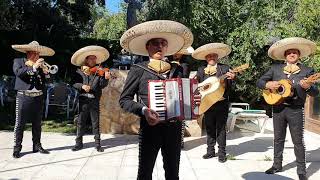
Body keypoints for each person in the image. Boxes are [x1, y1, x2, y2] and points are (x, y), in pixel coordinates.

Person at [119, 20, 195, 180]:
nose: (159, 46)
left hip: (174, 129)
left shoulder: (178, 70)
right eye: (155, 43)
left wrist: (194, 102)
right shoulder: (138, 69)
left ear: (167, 48)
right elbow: (124, 100)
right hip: (149, 129)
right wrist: (144, 110)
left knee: (173, 174)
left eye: (163, 43)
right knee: (145, 173)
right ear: (147, 47)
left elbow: (185, 96)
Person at [257, 37, 319, 180]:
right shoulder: (275, 69)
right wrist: (268, 85)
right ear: (285, 55)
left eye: (295, 52)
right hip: (278, 108)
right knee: (278, 139)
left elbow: (315, 92)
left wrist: (308, 87)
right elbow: (259, 81)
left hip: (296, 110)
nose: (292, 54)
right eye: (289, 52)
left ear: (299, 55)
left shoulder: (307, 71)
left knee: (297, 141)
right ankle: (277, 165)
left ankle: (302, 171)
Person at [192, 43, 235, 162]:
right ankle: (210, 151)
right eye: (209, 56)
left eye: (213, 55)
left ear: (217, 57)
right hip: (207, 103)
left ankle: (222, 153)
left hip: (221, 103)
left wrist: (232, 79)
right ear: (206, 58)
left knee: (221, 128)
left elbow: (231, 87)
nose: (211, 57)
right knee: (209, 127)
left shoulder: (225, 68)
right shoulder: (201, 70)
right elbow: (197, 86)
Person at [11, 41, 55, 158]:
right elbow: (18, 73)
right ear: (28, 53)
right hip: (23, 96)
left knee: (37, 124)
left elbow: (49, 82)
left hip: (38, 97)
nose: (37, 56)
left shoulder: (40, 65)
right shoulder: (19, 61)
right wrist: (34, 68)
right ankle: (17, 148)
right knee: (20, 124)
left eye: (38, 54)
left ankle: (37, 145)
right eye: (34, 54)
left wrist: (47, 73)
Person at [70, 45, 111, 152]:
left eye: (95, 58)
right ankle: (78, 143)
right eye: (91, 58)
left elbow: (102, 85)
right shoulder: (78, 72)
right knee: (80, 122)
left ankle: (98, 144)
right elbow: (73, 83)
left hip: (94, 100)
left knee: (95, 122)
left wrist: (106, 78)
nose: (93, 60)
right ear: (86, 59)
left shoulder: (98, 71)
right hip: (83, 100)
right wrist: (82, 86)